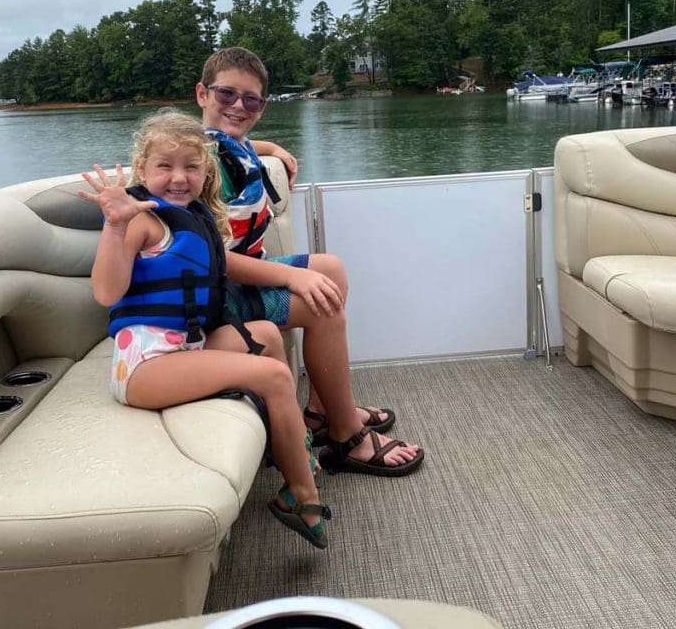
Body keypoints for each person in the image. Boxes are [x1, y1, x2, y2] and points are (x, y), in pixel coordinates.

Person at [78, 109, 331, 548]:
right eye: (165, 166)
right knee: (272, 375)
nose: (179, 178)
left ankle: (291, 441)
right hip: (144, 365)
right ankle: (300, 495)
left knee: (268, 336)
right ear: (142, 170)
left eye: (191, 166)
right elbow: (106, 291)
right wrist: (114, 227)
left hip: (188, 346)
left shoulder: (194, 215)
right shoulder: (138, 220)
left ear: (205, 171)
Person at [195, 47, 424, 477]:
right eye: (227, 95)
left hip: (238, 281)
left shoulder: (225, 146)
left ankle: (320, 409)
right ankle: (346, 437)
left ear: (262, 107)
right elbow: (214, 261)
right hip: (215, 302)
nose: (239, 106)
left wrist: (271, 147)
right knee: (325, 303)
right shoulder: (194, 168)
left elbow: (229, 138)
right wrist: (291, 277)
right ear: (202, 94)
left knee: (330, 268)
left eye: (252, 100)